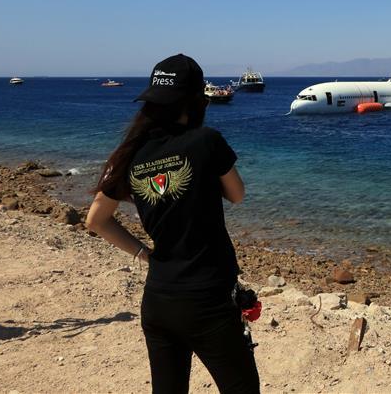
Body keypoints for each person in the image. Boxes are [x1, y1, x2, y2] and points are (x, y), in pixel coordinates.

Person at [85, 54, 260, 394]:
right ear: (197, 100)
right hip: (209, 299)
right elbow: (237, 195)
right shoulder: (206, 140)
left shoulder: (130, 154)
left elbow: (96, 220)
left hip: (159, 300)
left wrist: (144, 255)